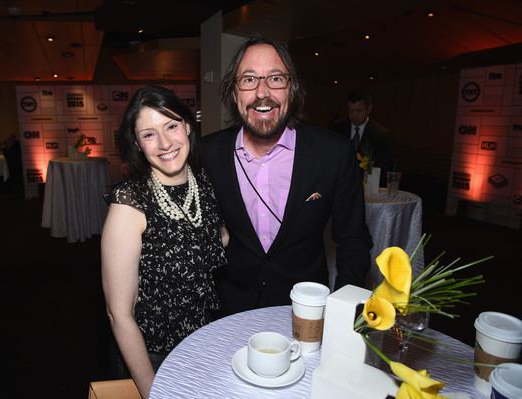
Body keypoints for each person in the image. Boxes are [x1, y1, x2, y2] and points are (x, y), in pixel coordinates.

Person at [201, 37, 372, 317]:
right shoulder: (207, 154)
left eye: (276, 78)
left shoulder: (333, 153)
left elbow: (353, 240)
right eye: (248, 79)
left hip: (305, 312)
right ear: (234, 93)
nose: (262, 92)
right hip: (228, 312)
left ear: (292, 90)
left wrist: (344, 314)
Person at [101, 85, 227, 398]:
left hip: (204, 349)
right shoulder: (129, 204)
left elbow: (214, 240)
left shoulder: (206, 184)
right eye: (149, 134)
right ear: (137, 143)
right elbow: (120, 314)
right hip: (154, 359)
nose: (164, 143)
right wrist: (152, 391)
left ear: (187, 126)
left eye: (171, 126)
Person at [333, 89, 395, 186]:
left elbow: (386, 167)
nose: (354, 115)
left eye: (359, 111)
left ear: (369, 109)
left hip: (369, 187)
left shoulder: (381, 135)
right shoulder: (337, 130)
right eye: (350, 111)